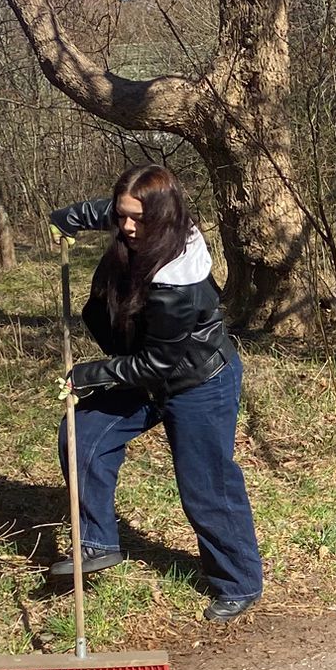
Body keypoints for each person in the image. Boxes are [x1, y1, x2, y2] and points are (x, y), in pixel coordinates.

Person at [50, 166, 264, 623]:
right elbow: (109, 211)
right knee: (82, 434)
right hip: (145, 372)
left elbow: (158, 364)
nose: (127, 226)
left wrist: (90, 374)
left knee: (205, 486)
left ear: (162, 218)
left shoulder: (179, 279)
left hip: (197, 382)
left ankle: (239, 582)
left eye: (138, 219)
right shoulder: (139, 223)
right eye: (122, 215)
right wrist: (68, 218)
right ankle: (96, 542)